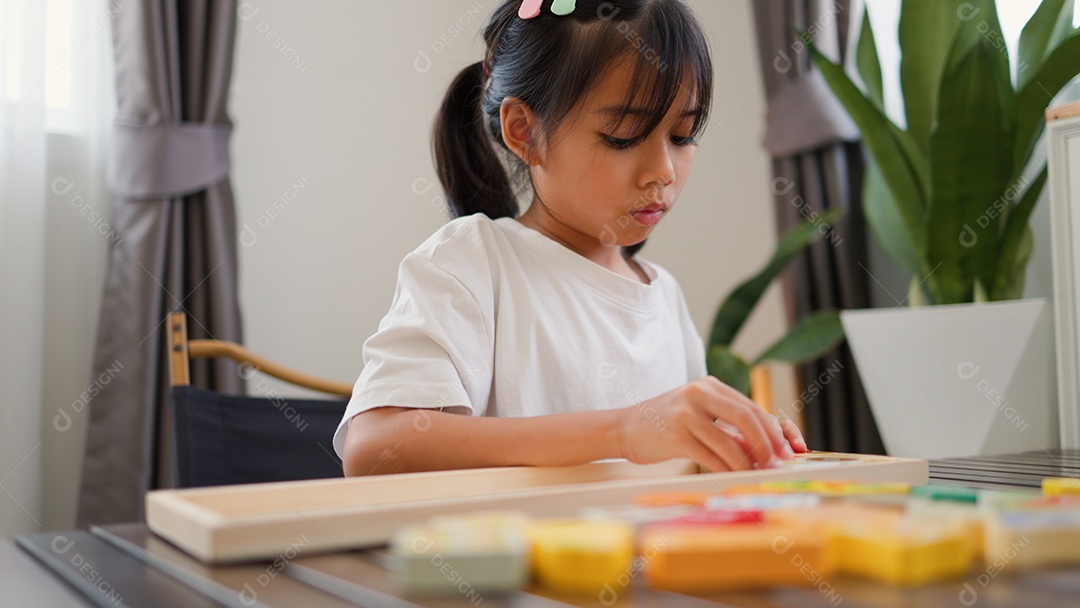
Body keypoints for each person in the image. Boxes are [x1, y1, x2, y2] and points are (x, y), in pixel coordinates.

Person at [335, 0, 807, 477]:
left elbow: (677, 462)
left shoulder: (662, 295)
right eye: (624, 137)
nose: (663, 171)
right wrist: (622, 432)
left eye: (683, 136)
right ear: (525, 132)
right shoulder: (471, 263)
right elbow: (376, 448)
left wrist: (738, 440)